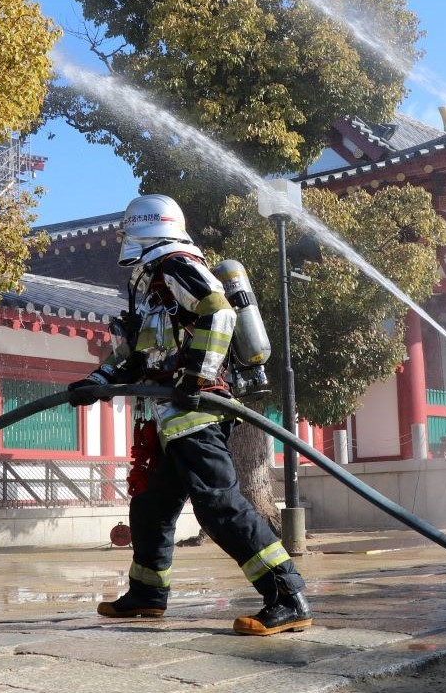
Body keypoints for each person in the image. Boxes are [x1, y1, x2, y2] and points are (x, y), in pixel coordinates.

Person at [68, 194, 311, 636]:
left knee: (219, 506)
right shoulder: (152, 281)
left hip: (195, 414)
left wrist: (197, 375)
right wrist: (98, 380)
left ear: (144, 229)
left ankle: (287, 595)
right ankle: (146, 595)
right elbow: (136, 349)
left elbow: (219, 314)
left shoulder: (177, 264)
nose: (124, 239)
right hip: (166, 419)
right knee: (151, 508)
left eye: (128, 231)